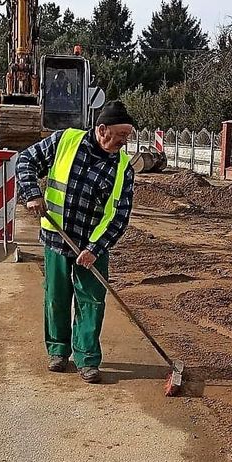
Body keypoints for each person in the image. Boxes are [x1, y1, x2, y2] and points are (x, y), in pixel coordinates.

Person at [17, 100, 137, 384]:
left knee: (92, 300)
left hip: (93, 246)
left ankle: (87, 358)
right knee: (57, 296)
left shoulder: (123, 168)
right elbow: (25, 160)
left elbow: (119, 216)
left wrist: (94, 250)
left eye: (127, 136)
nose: (124, 141)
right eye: (120, 135)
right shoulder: (65, 141)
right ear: (102, 129)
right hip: (57, 237)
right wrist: (32, 193)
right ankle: (58, 351)